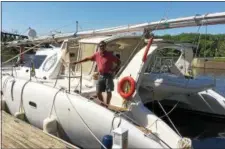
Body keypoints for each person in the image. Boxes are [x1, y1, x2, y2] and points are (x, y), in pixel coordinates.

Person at [72, 41, 121, 107]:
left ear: (105, 46)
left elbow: (119, 62)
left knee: (109, 91)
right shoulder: (96, 55)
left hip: (108, 76)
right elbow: (87, 59)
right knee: (98, 92)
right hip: (100, 75)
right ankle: (103, 103)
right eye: (101, 46)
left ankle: (107, 105)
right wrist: (77, 62)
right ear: (99, 47)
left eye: (103, 46)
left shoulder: (110, 55)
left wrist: (113, 70)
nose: (102, 47)